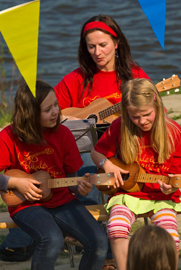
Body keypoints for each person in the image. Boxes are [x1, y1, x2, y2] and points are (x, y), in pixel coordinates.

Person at [0, 80, 108, 270]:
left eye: (56, 105)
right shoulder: (9, 136)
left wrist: (80, 186)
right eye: (47, 109)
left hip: (62, 201)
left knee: (99, 240)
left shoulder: (64, 134)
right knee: (52, 239)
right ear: (30, 114)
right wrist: (15, 182)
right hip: (26, 206)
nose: (56, 112)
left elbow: (71, 180)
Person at [54, 13, 150, 206]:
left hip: (128, 145)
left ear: (116, 43)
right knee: (86, 162)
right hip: (88, 150)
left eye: (103, 45)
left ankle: (119, 212)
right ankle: (90, 222)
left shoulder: (135, 75)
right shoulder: (76, 79)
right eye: (91, 46)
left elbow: (155, 112)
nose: (97, 52)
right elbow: (45, 112)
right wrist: (68, 118)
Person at [91, 78, 181, 270]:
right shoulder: (120, 126)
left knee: (171, 238)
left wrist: (171, 186)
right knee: (115, 229)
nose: (142, 121)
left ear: (156, 103)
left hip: (160, 197)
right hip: (127, 195)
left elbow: (177, 174)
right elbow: (96, 152)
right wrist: (107, 164)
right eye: (135, 117)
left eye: (147, 115)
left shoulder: (173, 132)